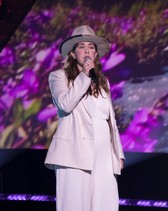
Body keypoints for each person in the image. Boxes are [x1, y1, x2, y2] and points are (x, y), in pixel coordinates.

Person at [44, 25, 125, 211]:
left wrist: (118, 153)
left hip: (103, 154)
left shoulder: (103, 82)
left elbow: (110, 120)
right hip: (75, 154)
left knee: (105, 206)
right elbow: (65, 105)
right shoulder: (59, 77)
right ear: (72, 54)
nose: (87, 50)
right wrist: (84, 76)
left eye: (91, 46)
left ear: (96, 54)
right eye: (81, 46)